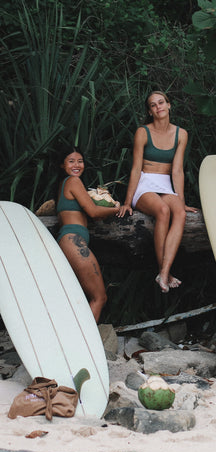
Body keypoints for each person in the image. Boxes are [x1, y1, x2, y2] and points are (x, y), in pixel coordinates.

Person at [117, 90, 197, 293]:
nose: (158, 107)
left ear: (169, 105)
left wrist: (181, 200)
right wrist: (127, 201)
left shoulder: (181, 134)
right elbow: (135, 168)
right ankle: (164, 272)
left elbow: (177, 170)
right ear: (150, 111)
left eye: (161, 102)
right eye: (153, 105)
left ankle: (164, 272)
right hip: (144, 184)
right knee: (163, 211)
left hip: (165, 185)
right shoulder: (143, 132)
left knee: (179, 212)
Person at [56, 146, 120, 322]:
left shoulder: (64, 184)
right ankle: (84, 347)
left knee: (78, 299)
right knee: (99, 297)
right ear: (62, 165)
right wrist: (116, 209)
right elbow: (92, 212)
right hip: (73, 242)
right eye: (71, 161)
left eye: (80, 161)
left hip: (69, 241)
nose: (77, 165)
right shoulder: (73, 182)